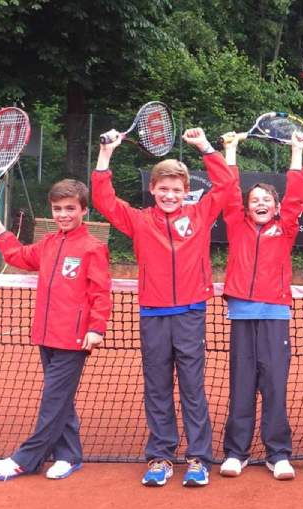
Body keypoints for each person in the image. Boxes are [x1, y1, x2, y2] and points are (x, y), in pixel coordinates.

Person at [92, 127, 235, 487]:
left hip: (190, 314)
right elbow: (104, 200)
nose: (170, 195)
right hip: (153, 314)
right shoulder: (140, 221)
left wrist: (205, 146)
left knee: (192, 388)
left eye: (177, 190)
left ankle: (199, 458)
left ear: (187, 193)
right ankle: (161, 456)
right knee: (157, 388)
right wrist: (106, 154)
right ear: (152, 190)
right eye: (163, 188)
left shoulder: (200, 215)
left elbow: (227, 187)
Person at [0, 179, 111, 481]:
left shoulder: (93, 248)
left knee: (53, 401)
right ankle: (69, 456)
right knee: (61, 399)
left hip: (74, 339)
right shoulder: (49, 244)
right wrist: (0, 229)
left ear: (84, 210)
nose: (63, 214)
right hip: (45, 335)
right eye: (57, 208)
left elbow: (101, 292)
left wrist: (96, 328)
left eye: (70, 208)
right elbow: (20, 256)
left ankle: (26, 460)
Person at [217, 130, 303, 480]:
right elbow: (226, 192)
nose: (259, 203)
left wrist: (297, 152)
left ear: (276, 207)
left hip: (275, 316)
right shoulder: (236, 226)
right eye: (253, 199)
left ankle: (278, 453)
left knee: (274, 385)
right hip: (242, 315)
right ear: (246, 205)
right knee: (241, 385)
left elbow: (297, 196)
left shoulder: (285, 229)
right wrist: (231, 150)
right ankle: (235, 453)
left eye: (266, 199)